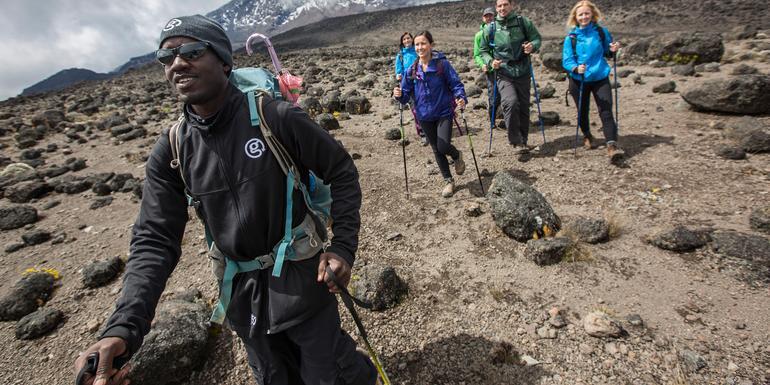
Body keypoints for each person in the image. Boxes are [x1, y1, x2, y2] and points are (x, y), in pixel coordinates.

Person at [73, 14, 377, 385]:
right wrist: (121, 329)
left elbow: (341, 171)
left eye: (191, 51)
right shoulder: (172, 149)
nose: (177, 63)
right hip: (241, 298)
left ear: (224, 60)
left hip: (304, 282)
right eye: (166, 57)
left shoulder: (273, 117)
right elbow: (154, 239)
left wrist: (343, 248)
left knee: (328, 375)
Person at [393, 30, 468, 198]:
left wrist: (460, 97)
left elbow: (456, 84)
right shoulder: (411, 70)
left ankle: (456, 155)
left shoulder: (442, 65)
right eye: (417, 44)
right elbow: (405, 96)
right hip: (424, 115)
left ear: (431, 45)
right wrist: (398, 95)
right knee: (436, 149)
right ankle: (448, 181)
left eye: (423, 43)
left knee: (442, 145)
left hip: (443, 112)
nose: (420, 47)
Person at [562, 0, 623, 161]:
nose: (584, 17)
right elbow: (567, 60)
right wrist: (575, 68)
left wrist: (613, 50)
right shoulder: (571, 37)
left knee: (606, 109)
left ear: (592, 14)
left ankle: (612, 145)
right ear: (575, 17)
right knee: (583, 111)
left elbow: (607, 52)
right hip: (578, 80)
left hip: (600, 76)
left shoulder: (601, 32)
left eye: (586, 13)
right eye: (580, 14)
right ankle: (587, 135)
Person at [479, 0, 541, 156]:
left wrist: (532, 46)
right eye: (499, 5)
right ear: (496, 7)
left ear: (511, 5)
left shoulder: (523, 22)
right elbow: (483, 51)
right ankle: (515, 139)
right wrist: (490, 61)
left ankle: (523, 141)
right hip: (503, 72)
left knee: (524, 105)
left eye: (505, 4)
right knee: (510, 102)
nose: (502, 8)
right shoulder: (490, 28)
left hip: (523, 70)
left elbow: (537, 38)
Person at [394, 32, 428, 146]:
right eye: (404, 39)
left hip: (421, 83)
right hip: (408, 86)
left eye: (408, 38)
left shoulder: (417, 51)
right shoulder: (400, 56)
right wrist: (398, 75)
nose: (406, 40)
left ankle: (430, 130)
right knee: (415, 110)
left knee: (426, 107)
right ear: (402, 41)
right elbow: (398, 70)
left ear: (412, 39)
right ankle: (423, 133)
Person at [473, 7, 501, 127]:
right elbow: (477, 54)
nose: (489, 18)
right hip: (490, 70)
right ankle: (492, 120)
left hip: (504, 68)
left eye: (491, 15)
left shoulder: (500, 31)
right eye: (486, 16)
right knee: (493, 96)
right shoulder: (479, 35)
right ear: (483, 18)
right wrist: (482, 64)